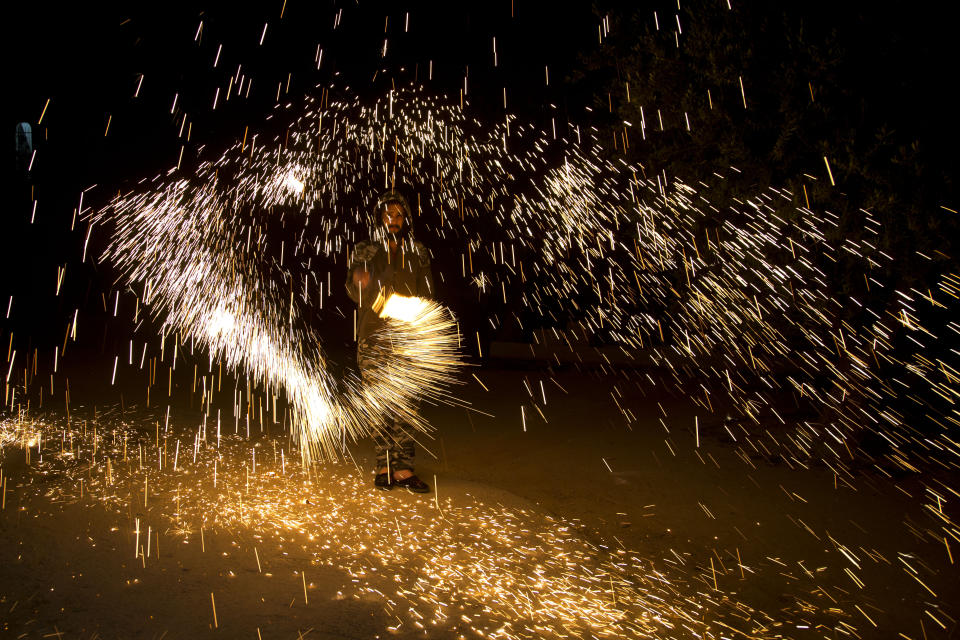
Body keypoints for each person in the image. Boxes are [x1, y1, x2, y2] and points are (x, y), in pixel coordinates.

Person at [345, 190, 434, 493]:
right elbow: (353, 290)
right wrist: (360, 283)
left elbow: (427, 294)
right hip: (374, 338)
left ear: (406, 218)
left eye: (397, 215)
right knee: (381, 404)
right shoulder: (366, 250)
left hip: (408, 339)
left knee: (407, 405)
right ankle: (383, 464)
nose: (392, 220)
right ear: (378, 218)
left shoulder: (418, 251)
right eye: (386, 215)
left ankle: (404, 468)